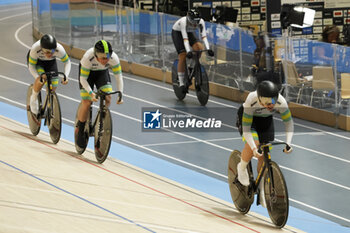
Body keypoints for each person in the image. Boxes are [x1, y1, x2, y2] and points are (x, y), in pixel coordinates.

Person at [236, 79, 293, 207]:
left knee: (265, 155)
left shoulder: (281, 101)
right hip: (250, 121)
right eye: (267, 102)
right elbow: (246, 129)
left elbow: (288, 123)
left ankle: (261, 188)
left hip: (265, 121)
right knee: (255, 146)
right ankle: (242, 166)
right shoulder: (252, 99)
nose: (271, 104)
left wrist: (288, 143)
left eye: (273, 101)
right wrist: (253, 148)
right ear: (259, 98)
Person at [75, 39, 123, 148]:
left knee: (108, 97)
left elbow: (119, 77)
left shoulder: (113, 58)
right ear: (96, 55)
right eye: (102, 58)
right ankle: (81, 129)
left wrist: (121, 93)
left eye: (107, 57)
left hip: (102, 73)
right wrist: (91, 93)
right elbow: (83, 79)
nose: (105, 60)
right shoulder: (88, 57)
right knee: (87, 103)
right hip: (88, 76)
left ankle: (102, 118)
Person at [28, 34, 71, 115]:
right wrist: (37, 77)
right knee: (42, 79)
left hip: (51, 63)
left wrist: (66, 75)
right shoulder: (35, 49)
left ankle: (48, 105)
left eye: (52, 52)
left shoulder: (59, 49)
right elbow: (31, 66)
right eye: (47, 52)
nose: (50, 54)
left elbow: (67, 62)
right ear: (41, 49)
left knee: (53, 88)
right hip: (38, 63)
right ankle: (33, 98)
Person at [171, 9, 214, 89]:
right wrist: (188, 51)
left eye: (196, 22)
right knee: (183, 56)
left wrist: (208, 49)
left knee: (199, 48)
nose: (195, 24)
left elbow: (204, 37)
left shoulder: (201, 22)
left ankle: (192, 66)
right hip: (178, 33)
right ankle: (181, 83)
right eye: (193, 22)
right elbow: (185, 39)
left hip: (190, 32)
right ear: (189, 19)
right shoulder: (184, 21)